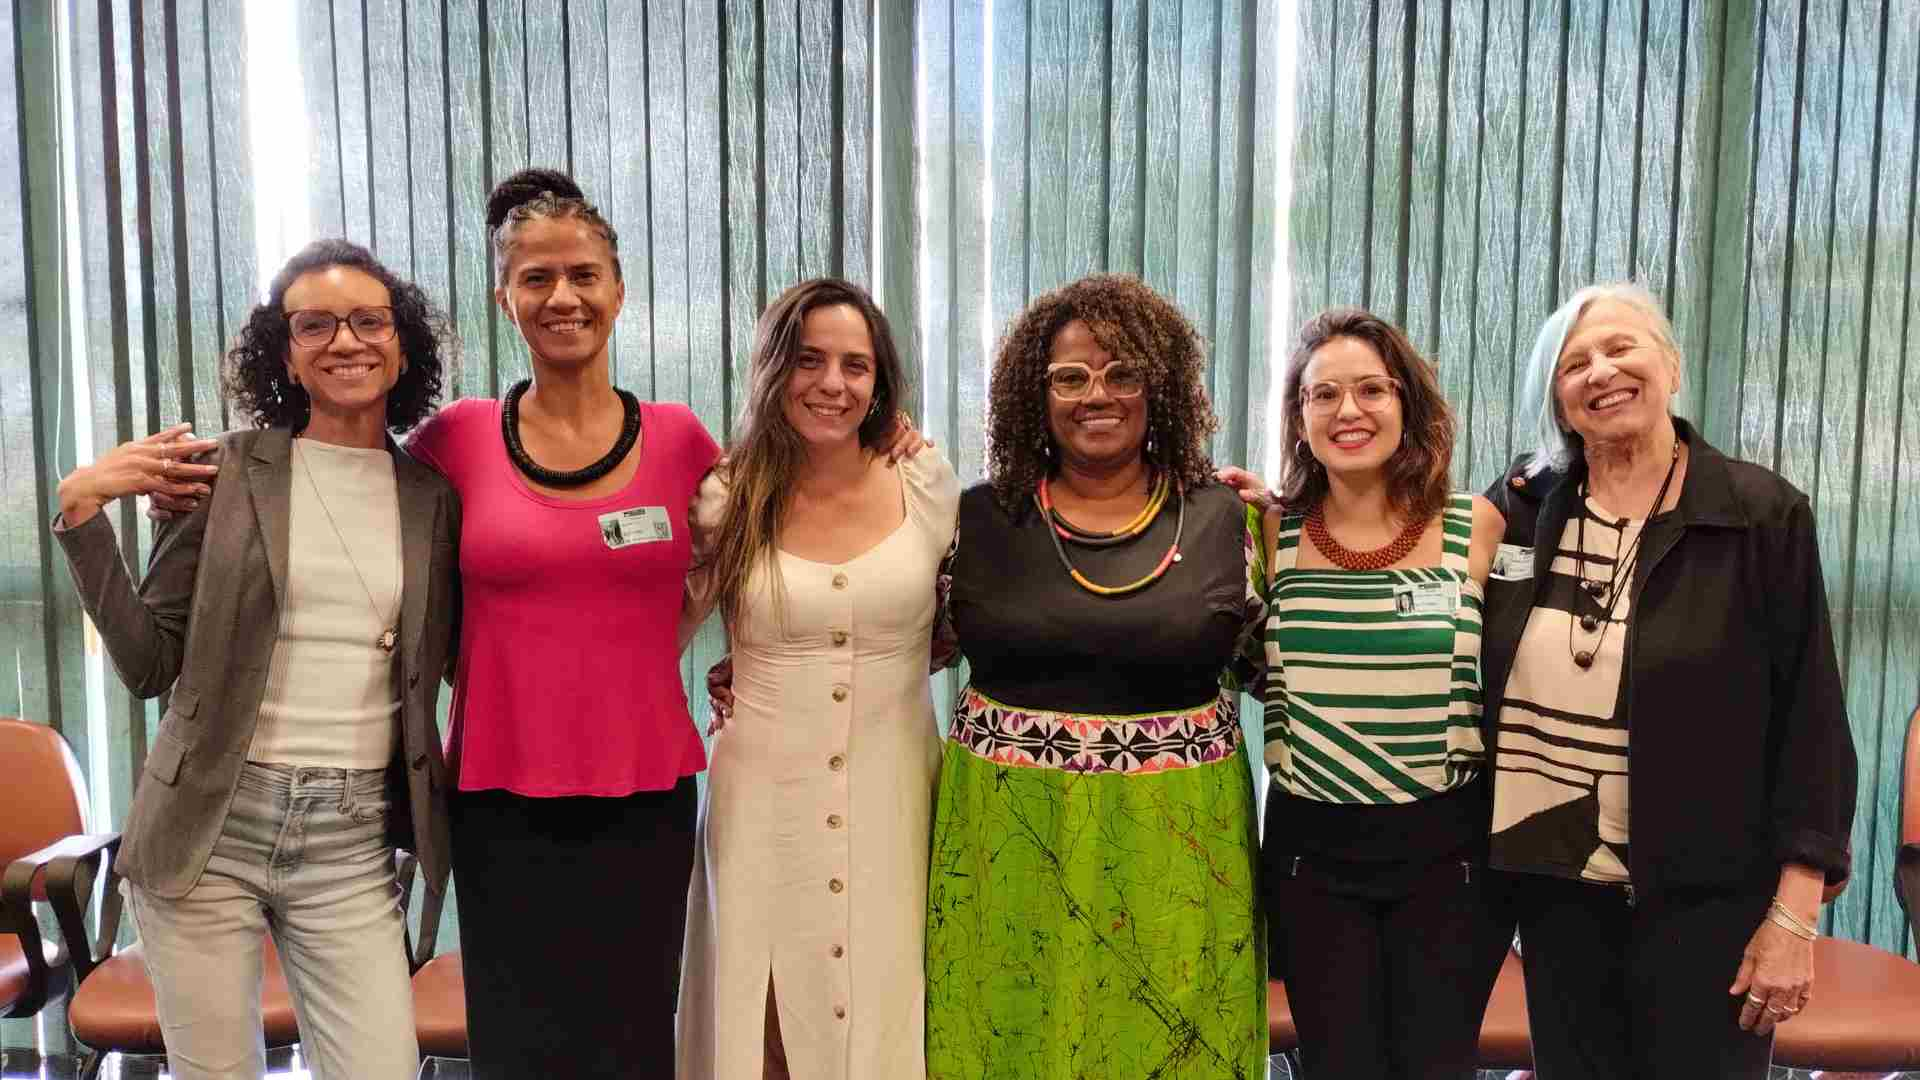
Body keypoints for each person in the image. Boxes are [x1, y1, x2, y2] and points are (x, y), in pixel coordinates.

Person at [52, 240, 459, 1080]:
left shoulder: (434, 499)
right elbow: (146, 663)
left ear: (402, 343)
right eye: (315, 325)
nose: (346, 341)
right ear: (286, 353)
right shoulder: (223, 474)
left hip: (350, 841)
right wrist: (83, 512)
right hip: (211, 824)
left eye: (369, 321)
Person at [1481, 283, 1856, 1077]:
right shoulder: (1522, 505)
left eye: (1621, 348)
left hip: (1709, 909)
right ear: (1557, 396)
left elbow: (1812, 719)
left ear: (1672, 364)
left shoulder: (1758, 513)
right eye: (1574, 362)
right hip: (1555, 902)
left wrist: (1795, 914)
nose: (1600, 372)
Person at [924, 274, 1268, 1077]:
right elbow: (882, 639)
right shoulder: (972, 520)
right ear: (1033, 395)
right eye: (1069, 377)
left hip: (1181, 847)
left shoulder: (1230, 518)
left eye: (1122, 373)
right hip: (1005, 843)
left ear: (1162, 386)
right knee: (1009, 1032)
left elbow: (1281, 668)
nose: (1096, 395)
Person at [676, 278, 959, 1080]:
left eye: (855, 365)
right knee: (761, 1017)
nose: (833, 384)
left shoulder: (926, 484)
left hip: (896, 789)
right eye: (809, 361)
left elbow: (961, 625)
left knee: (889, 1003)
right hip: (762, 793)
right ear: (773, 369)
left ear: (881, 381)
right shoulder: (726, 498)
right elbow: (654, 632)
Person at [1260, 307, 1511, 1078]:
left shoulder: (1480, 525)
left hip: (1450, 858)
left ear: (1408, 403)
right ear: (1299, 419)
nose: (1349, 412)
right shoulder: (1268, 533)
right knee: (1339, 1066)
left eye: (1372, 389)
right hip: (1313, 857)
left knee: (1436, 1064)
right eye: (1323, 394)